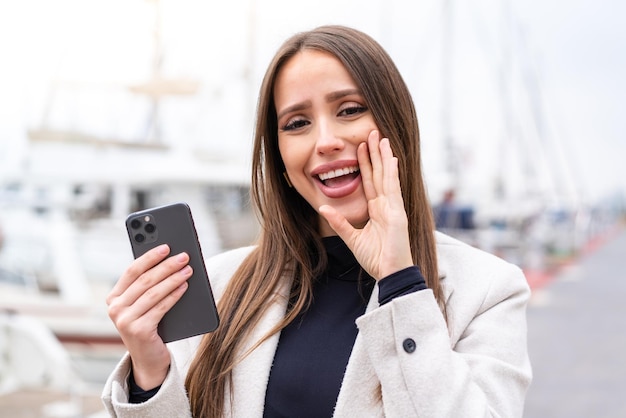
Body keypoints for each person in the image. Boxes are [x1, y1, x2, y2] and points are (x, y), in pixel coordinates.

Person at [102, 25, 532, 417]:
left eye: (349, 110)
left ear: (395, 123)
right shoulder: (221, 285)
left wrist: (400, 283)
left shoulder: (488, 290)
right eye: (298, 123)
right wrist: (149, 374)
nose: (325, 141)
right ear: (282, 162)